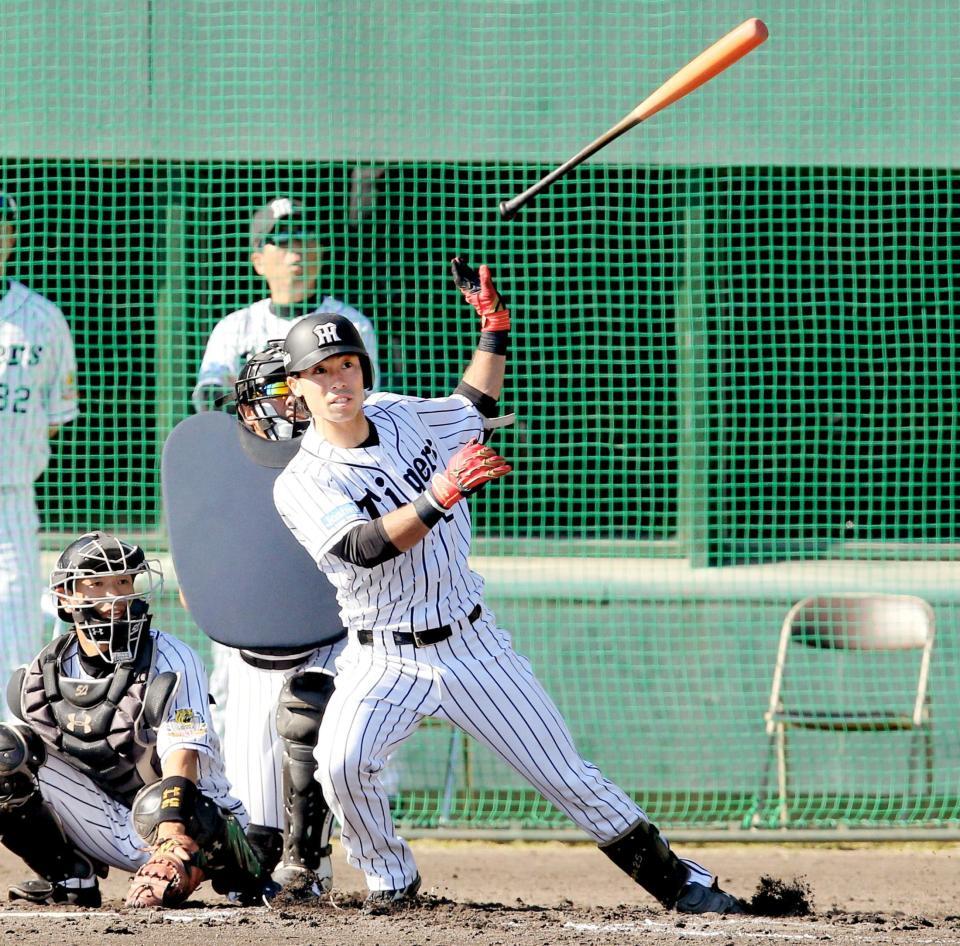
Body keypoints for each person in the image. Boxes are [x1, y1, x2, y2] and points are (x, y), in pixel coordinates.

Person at [272, 260, 747, 914]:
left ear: (363, 370)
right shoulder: (302, 479)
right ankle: (391, 880)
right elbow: (365, 547)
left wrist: (494, 329)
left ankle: (682, 883)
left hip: (472, 644)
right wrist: (439, 495)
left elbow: (471, 408)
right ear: (296, 388)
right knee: (344, 765)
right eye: (319, 372)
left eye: (345, 365)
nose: (336, 381)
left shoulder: (401, 413)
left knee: (567, 779)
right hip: (383, 655)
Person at [0, 531, 265, 907]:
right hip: (105, 818)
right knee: (6, 755)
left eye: (124, 581)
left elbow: (183, 756)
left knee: (158, 803)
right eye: (98, 584)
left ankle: (238, 872)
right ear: (66, 596)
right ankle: (71, 877)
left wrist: (170, 837)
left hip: (188, 821)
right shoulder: (47, 670)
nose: (116, 596)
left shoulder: (174, 658)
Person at [191, 196, 380, 412]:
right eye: (281, 239)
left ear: (321, 250)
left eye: (304, 235)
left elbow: (364, 400)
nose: (296, 249)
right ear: (258, 261)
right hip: (252, 442)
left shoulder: (350, 324)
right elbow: (210, 399)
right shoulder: (234, 327)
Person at [0, 191, 79, 685]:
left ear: (9, 233)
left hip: (10, 499)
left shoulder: (42, 318)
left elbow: (54, 417)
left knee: (18, 632)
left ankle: (11, 756)